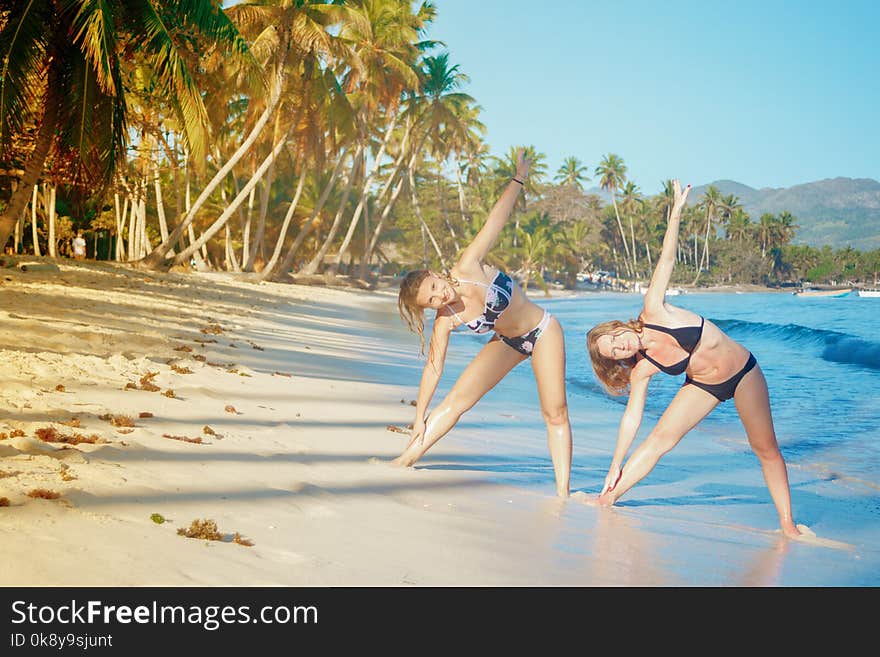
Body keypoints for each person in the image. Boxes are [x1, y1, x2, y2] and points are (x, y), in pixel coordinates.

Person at [585, 180, 801, 537]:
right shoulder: (641, 369)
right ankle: (607, 499)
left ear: (618, 327)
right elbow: (631, 419)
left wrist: (676, 212)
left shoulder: (654, 310)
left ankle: (787, 524)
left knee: (764, 447)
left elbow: (666, 259)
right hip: (705, 385)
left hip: (744, 373)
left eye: (614, 341)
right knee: (659, 440)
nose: (620, 349)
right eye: (612, 354)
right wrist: (615, 465)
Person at [394, 149, 572, 498]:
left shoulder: (468, 267)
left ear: (434, 274)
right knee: (456, 401)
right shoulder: (446, 320)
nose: (439, 298)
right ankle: (405, 458)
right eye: (430, 302)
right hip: (507, 343)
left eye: (434, 288)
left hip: (542, 331)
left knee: (555, 412)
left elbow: (496, 221)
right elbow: (433, 368)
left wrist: (519, 177)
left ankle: (564, 493)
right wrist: (419, 416)